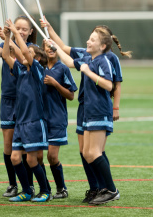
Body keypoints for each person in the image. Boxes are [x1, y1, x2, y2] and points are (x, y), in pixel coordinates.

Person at [48, 27, 120, 205]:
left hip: (99, 111)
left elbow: (109, 85)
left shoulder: (104, 61)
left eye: (92, 40)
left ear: (102, 46)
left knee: (94, 152)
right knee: (87, 153)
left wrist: (89, 73)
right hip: (88, 112)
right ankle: (101, 188)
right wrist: (55, 47)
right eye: (89, 38)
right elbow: (70, 61)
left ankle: (111, 190)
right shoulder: (88, 58)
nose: (88, 41)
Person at [2, 19, 51, 202]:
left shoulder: (37, 70)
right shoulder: (21, 70)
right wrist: (8, 38)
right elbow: (7, 56)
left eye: (29, 53)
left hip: (33, 121)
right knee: (15, 158)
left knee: (32, 160)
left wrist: (15, 31)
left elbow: (25, 52)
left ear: (36, 58)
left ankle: (45, 190)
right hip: (20, 122)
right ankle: (27, 191)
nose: (24, 54)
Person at [0, 15, 37, 197]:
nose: (22, 31)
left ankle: (29, 185)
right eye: (18, 27)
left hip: (26, 102)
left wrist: (9, 38)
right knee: (8, 145)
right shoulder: (6, 43)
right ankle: (12, 184)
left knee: (26, 146)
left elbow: (23, 57)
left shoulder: (32, 49)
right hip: (8, 99)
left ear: (30, 32)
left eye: (25, 29)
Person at [41, 41, 77, 199]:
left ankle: (61, 188)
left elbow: (71, 95)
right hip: (39, 119)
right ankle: (44, 189)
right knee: (36, 157)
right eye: (47, 46)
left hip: (57, 118)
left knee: (52, 156)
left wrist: (55, 84)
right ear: (43, 49)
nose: (51, 49)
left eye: (53, 46)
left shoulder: (63, 68)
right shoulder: (38, 67)